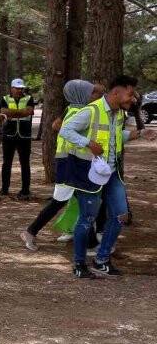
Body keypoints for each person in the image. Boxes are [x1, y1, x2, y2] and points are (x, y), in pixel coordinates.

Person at [56, 75, 156, 279]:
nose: (133, 99)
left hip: (112, 173)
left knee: (121, 215)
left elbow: (118, 136)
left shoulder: (119, 114)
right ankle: (79, 263)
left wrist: (139, 134)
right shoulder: (90, 111)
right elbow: (65, 130)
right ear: (116, 92)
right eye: (130, 94)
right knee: (87, 219)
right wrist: (87, 143)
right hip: (89, 175)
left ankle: (101, 260)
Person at [20, 80, 103, 251]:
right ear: (82, 95)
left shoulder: (71, 108)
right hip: (71, 165)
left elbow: (57, 126)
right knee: (67, 202)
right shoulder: (81, 111)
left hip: (71, 164)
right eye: (92, 93)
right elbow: (64, 131)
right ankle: (31, 231)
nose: (95, 96)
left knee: (78, 202)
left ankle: (91, 242)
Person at [0, 78, 36, 200]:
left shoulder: (29, 98)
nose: (20, 90)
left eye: (21, 88)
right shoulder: (4, 99)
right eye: (17, 88)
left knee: (25, 163)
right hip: (9, 135)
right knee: (7, 163)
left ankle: (25, 190)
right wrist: (21, 112)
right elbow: (3, 111)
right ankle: (4, 189)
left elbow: (29, 111)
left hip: (24, 136)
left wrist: (12, 113)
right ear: (12, 88)